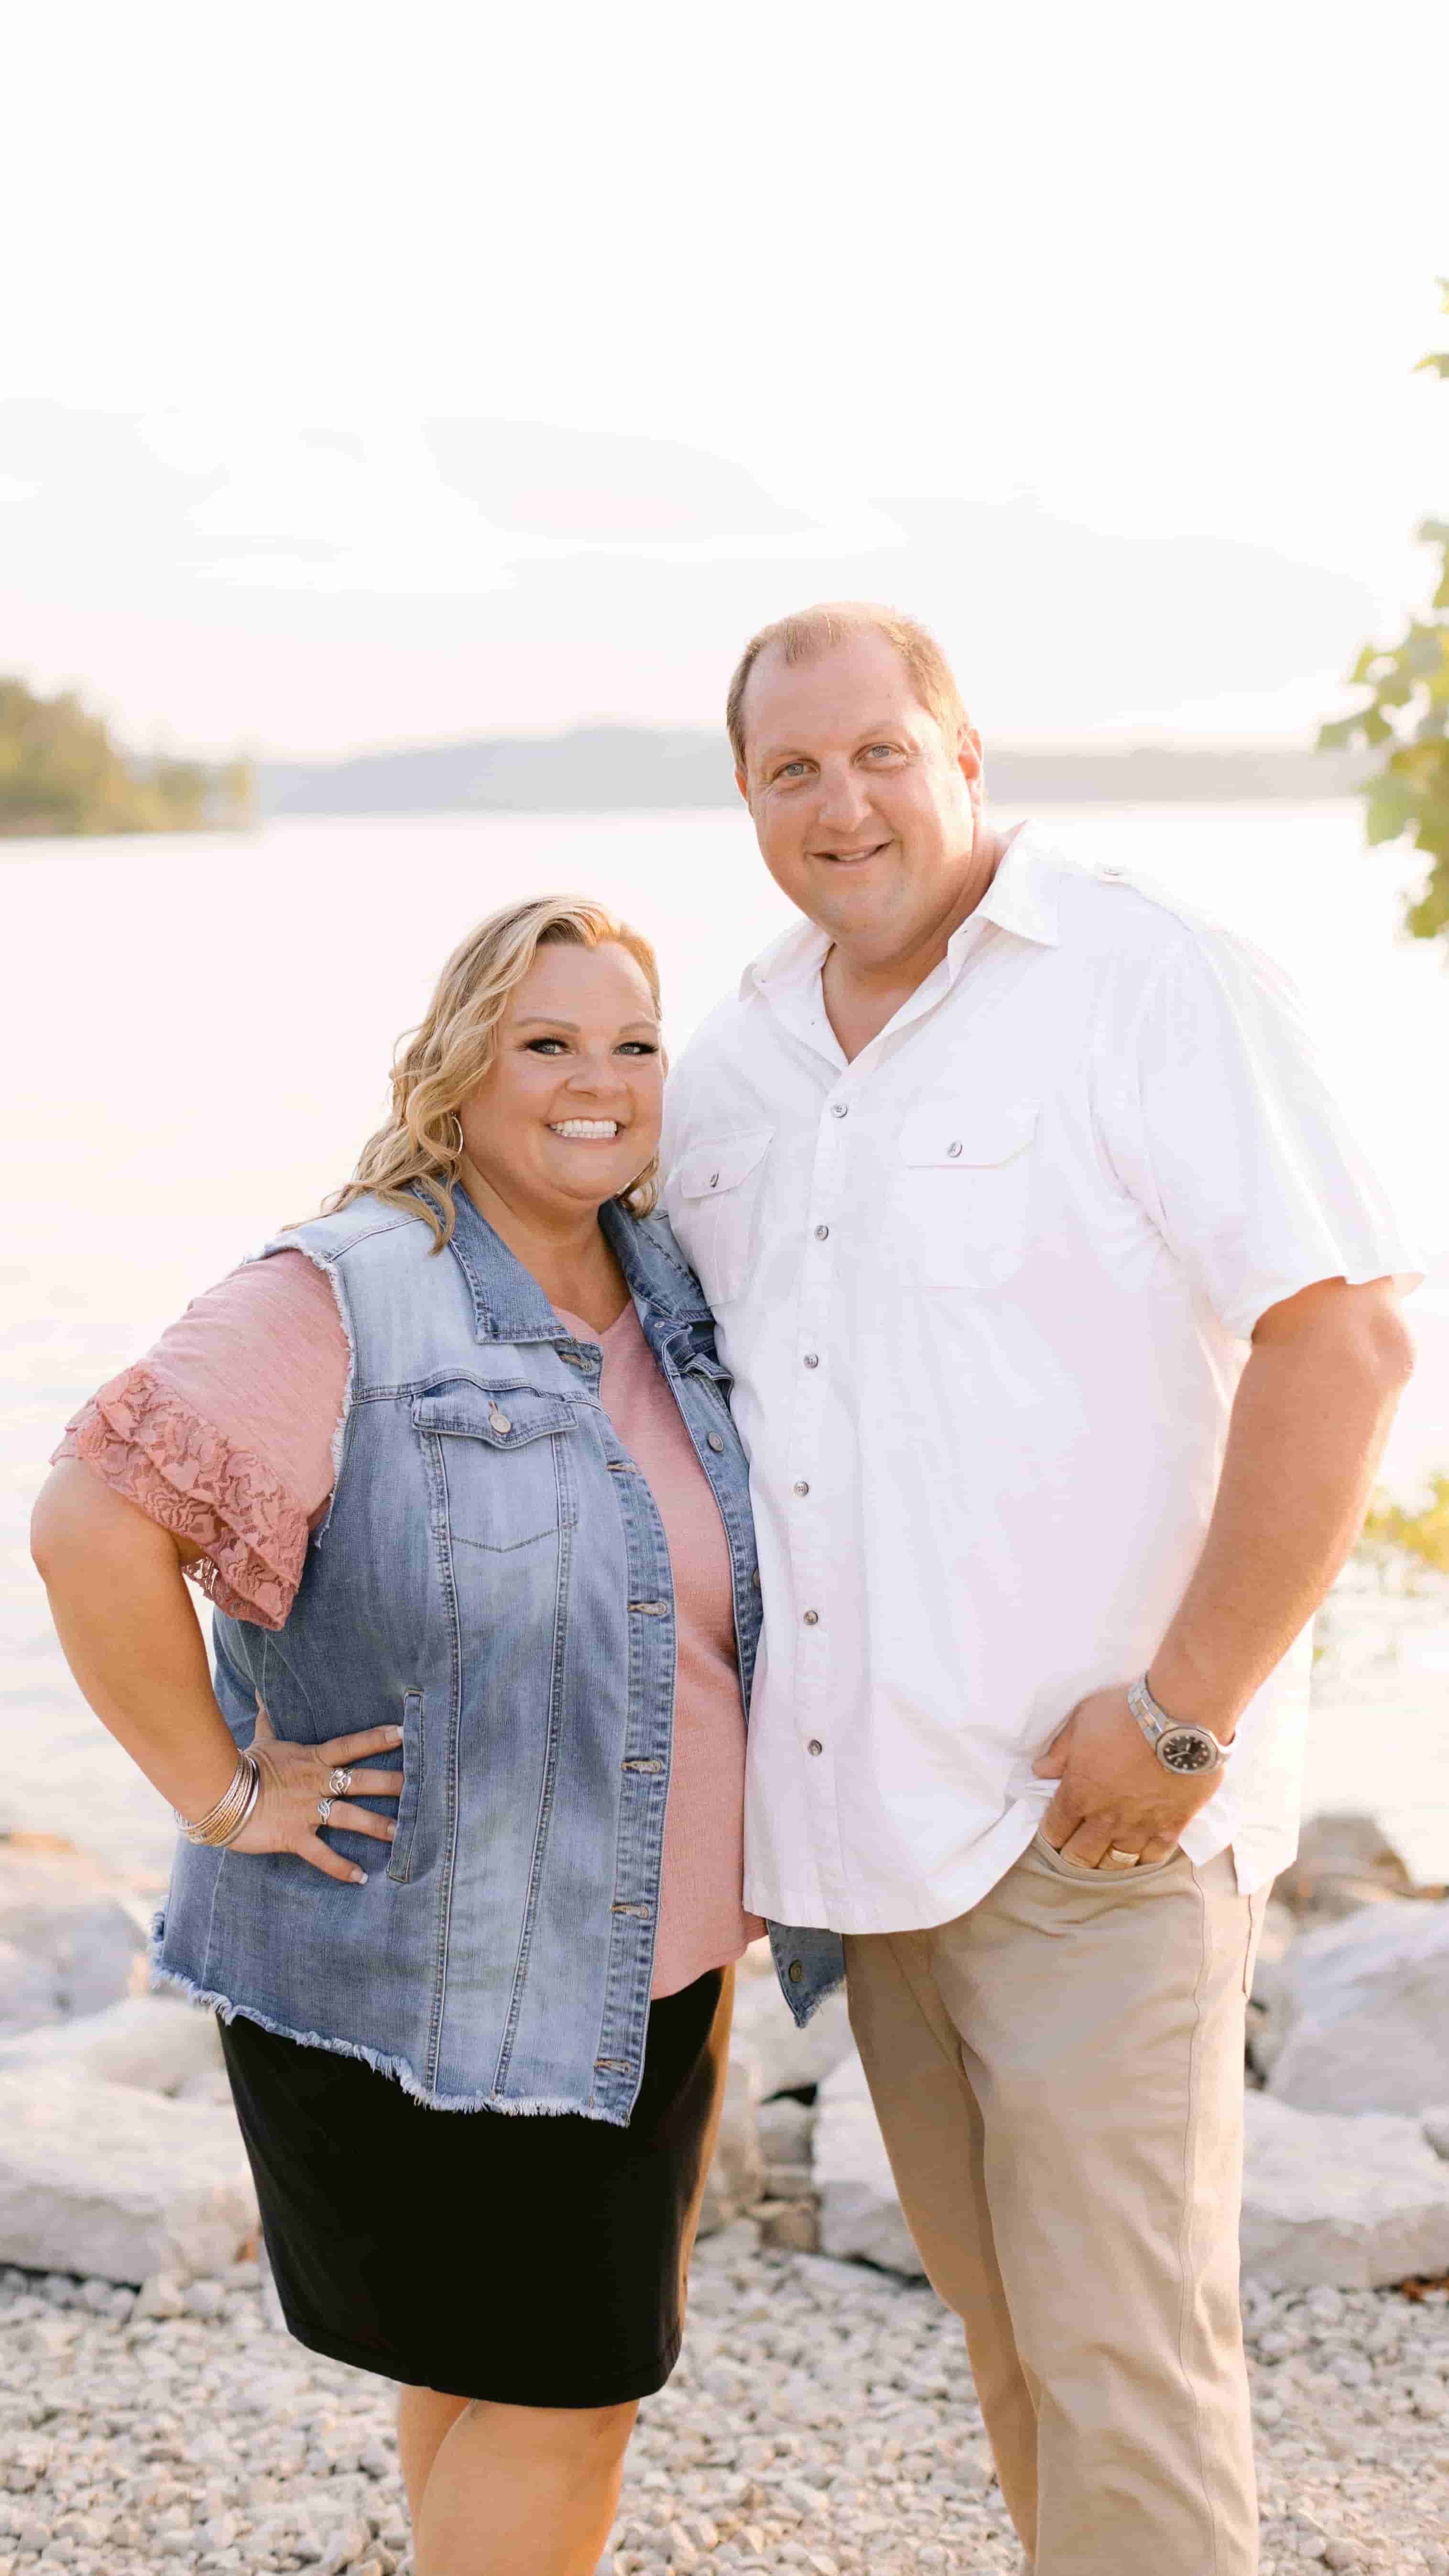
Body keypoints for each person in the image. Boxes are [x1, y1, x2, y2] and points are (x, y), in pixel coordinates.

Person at [660, 602, 1420, 2576]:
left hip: (1097, 1828)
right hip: (870, 1850)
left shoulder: (1140, 975)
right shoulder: (733, 1063)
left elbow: (1341, 1344)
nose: (842, 803)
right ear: (745, 798)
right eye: (791, 770)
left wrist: (1184, 1715)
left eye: (880, 752)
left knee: (1126, 2378)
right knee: (1016, 2360)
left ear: (965, 753)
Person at [31, 895, 772, 2576]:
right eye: (546, 1042)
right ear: (458, 1068)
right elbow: (91, 1523)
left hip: (648, 1965)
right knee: (572, 2395)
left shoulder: (668, 1283)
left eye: (634, 1044)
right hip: (431, 1955)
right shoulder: (346, 1289)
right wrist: (224, 1791)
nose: (599, 1081)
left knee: (488, 2368)